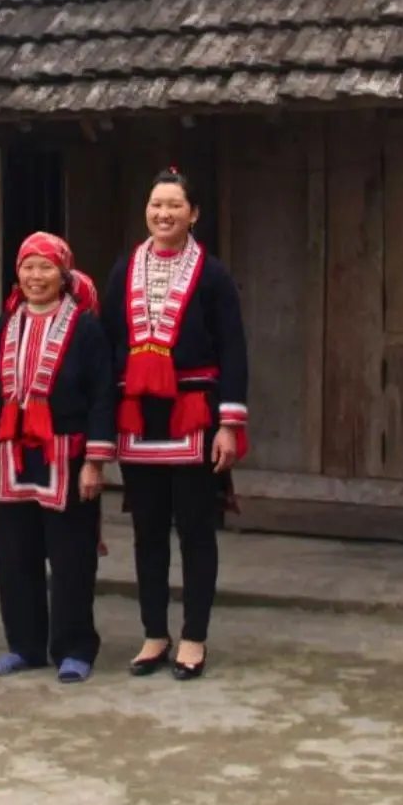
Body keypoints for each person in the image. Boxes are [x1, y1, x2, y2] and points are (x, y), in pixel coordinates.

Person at [100, 169, 249, 681]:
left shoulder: (213, 275)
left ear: (194, 213)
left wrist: (228, 424)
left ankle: (194, 636)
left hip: (194, 414)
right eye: (156, 204)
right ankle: (154, 633)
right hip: (139, 415)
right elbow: (108, 344)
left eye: (174, 205)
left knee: (195, 530)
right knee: (147, 532)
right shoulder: (124, 270)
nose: (163, 214)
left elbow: (233, 349)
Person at [0, 232, 115, 684]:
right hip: (13, 456)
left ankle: (74, 648)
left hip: (67, 456)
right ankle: (25, 646)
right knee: (16, 557)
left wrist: (94, 462)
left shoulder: (85, 329)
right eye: (28, 267)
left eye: (46, 267)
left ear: (64, 274)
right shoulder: (2, 327)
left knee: (72, 559)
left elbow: (102, 396)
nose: (36, 276)